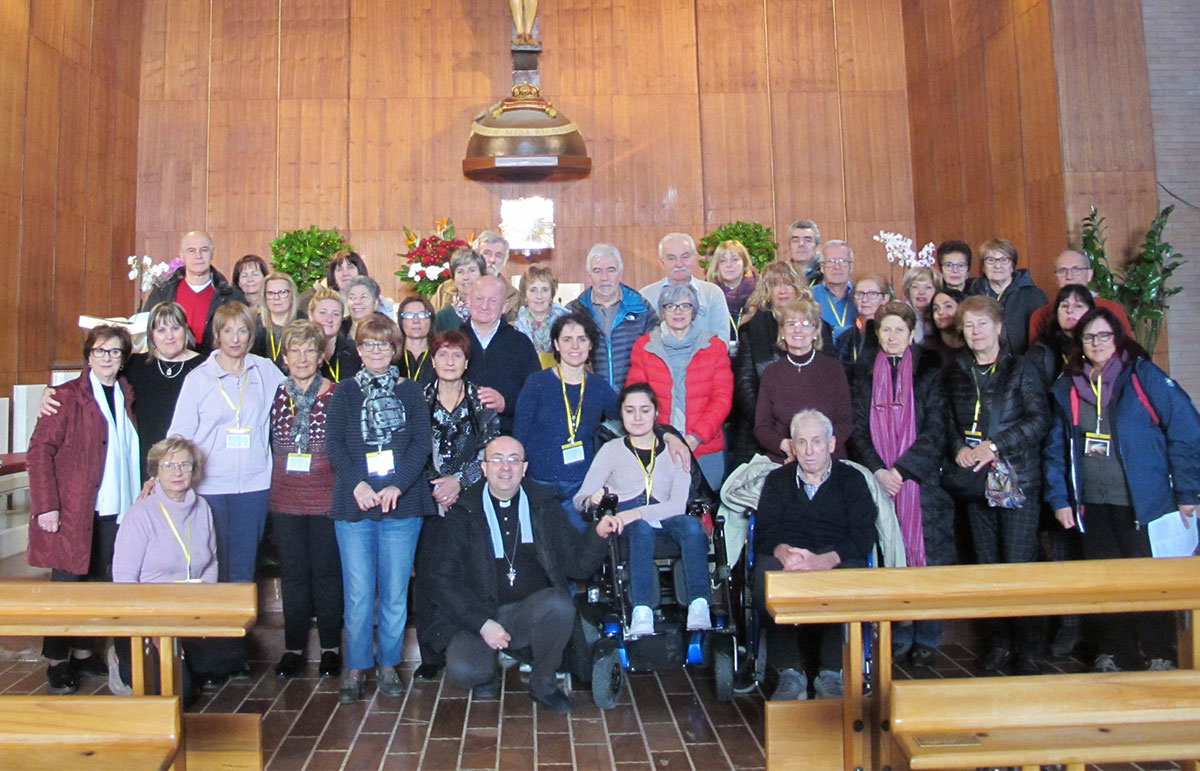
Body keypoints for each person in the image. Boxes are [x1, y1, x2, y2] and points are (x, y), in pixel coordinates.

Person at [1044, 306, 1200, 672]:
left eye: (1104, 335)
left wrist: (1188, 492)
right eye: (1088, 337)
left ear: (1118, 338)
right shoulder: (1068, 386)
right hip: (1092, 504)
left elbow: (1187, 430)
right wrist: (1060, 499)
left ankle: (1159, 651)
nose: (1096, 343)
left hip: (1143, 503)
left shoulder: (1143, 376)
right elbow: (1055, 448)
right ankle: (1114, 651)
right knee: (1106, 581)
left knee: (1149, 581)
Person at [428, 436, 624, 714]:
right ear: (484, 468)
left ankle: (543, 683)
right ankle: (491, 666)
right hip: (481, 615)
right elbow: (442, 581)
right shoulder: (464, 511)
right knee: (465, 671)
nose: (505, 467)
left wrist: (598, 534)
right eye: (497, 460)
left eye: (513, 460)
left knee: (559, 604)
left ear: (524, 468)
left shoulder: (544, 505)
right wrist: (482, 624)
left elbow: (577, 565)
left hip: (530, 614)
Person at [325, 315, 435, 703]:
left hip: (401, 506)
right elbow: (334, 444)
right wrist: (357, 484)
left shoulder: (411, 392)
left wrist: (396, 486)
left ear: (395, 350)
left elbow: (421, 444)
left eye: (384, 344)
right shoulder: (344, 391)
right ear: (358, 349)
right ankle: (356, 668)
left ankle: (388, 665)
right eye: (369, 344)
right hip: (354, 504)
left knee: (394, 593)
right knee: (358, 593)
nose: (376, 351)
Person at [27, 325, 139, 695]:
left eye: (115, 352)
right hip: (74, 508)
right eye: (100, 351)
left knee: (95, 583)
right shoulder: (66, 396)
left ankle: (83, 651)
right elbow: (39, 452)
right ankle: (57, 661)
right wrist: (47, 506)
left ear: (123, 358)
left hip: (115, 506)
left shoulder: (126, 393)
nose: (108, 358)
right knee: (66, 587)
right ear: (88, 356)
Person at [942, 295, 1049, 674]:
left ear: (999, 327)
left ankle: (1030, 648)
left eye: (982, 324)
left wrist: (995, 446)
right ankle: (1000, 643)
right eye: (969, 325)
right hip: (975, 483)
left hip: (1016, 481)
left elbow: (1039, 421)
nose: (975, 332)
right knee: (987, 567)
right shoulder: (957, 370)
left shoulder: (1021, 369)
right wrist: (958, 447)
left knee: (1018, 566)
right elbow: (949, 420)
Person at [848, 302, 955, 667]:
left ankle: (927, 634)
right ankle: (898, 631)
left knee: (925, 555)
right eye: (885, 330)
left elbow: (938, 428)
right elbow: (857, 428)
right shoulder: (863, 371)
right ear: (876, 334)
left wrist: (904, 470)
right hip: (878, 479)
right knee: (886, 555)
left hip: (921, 481)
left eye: (899, 330)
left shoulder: (931, 369)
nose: (892, 337)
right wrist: (879, 470)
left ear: (911, 334)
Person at [755, 410, 875, 701]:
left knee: (851, 574)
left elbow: (863, 537)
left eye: (816, 442)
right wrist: (784, 554)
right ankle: (789, 671)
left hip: (835, 556)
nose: (809, 451)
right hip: (791, 555)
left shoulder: (853, 480)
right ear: (793, 447)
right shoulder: (777, 480)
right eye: (802, 442)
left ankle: (831, 673)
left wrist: (823, 561)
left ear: (831, 444)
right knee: (764, 574)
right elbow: (764, 533)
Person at [575, 383, 712, 636]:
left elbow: (677, 505)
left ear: (656, 413)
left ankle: (699, 604)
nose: (637, 417)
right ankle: (642, 609)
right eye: (630, 411)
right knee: (640, 529)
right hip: (627, 523)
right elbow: (580, 499)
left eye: (644, 410)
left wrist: (637, 513)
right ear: (621, 414)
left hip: (666, 516)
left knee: (692, 526)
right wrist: (592, 501)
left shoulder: (676, 450)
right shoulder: (611, 450)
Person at [168, 301, 285, 588]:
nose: (235, 338)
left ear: (251, 336)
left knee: (244, 571)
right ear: (217, 335)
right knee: (211, 568)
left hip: (254, 486)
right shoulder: (198, 378)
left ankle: (240, 620)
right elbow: (179, 435)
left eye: (242, 331)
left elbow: (295, 396)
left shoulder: (264, 370)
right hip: (210, 486)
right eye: (228, 331)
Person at [413, 330, 501, 680]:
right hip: (428, 498)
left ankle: (469, 641)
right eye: (443, 355)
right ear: (432, 360)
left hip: (471, 501)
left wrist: (458, 482)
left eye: (457, 356)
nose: (450, 362)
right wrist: (437, 486)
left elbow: (490, 449)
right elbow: (411, 447)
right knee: (428, 574)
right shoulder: (418, 398)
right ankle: (430, 653)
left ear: (467, 362)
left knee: (468, 572)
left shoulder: (481, 399)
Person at [40, 302, 203, 483]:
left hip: (188, 461)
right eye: (161, 330)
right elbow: (92, 381)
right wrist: (53, 392)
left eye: (175, 328)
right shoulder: (135, 364)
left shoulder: (204, 366)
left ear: (185, 329)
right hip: (142, 460)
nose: (169, 336)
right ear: (151, 334)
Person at [110, 436, 217, 700]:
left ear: (194, 470)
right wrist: (156, 633)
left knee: (226, 659)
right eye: (168, 465)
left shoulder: (202, 508)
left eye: (184, 464)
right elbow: (124, 581)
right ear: (155, 471)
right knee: (179, 693)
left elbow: (212, 562)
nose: (177, 472)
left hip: (187, 611)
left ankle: (186, 660)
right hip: (146, 617)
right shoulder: (140, 514)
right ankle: (118, 658)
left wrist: (204, 612)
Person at [268, 321, 343, 680]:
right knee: (293, 576)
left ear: (321, 356)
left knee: (327, 575)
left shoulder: (337, 394)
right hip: (284, 499)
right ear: (284, 357)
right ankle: (293, 649)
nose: (301, 357)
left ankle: (330, 649)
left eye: (309, 350)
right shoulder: (274, 394)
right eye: (294, 351)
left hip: (327, 498)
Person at [514, 312, 619, 527]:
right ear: (556, 344)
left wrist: (667, 437)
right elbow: (520, 433)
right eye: (567, 339)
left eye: (582, 339)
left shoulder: (599, 387)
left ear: (591, 345)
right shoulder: (537, 383)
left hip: (581, 486)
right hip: (539, 483)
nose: (575, 346)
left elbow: (631, 418)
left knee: (579, 545)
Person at [627, 283, 733, 490]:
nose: (678, 312)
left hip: (705, 446)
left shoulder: (714, 347)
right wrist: (664, 435)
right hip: (658, 445)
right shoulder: (643, 347)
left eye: (685, 306)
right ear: (662, 311)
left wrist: (696, 437)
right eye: (671, 306)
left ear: (694, 310)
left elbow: (722, 398)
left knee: (706, 505)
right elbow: (637, 399)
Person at [730, 262, 812, 467]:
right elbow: (744, 383)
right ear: (767, 292)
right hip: (759, 432)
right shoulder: (751, 329)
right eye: (775, 285)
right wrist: (767, 425)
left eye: (787, 284)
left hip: (809, 430)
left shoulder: (818, 327)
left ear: (797, 288)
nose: (782, 290)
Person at [754, 297, 853, 464]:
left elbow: (845, 422)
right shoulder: (772, 372)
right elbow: (762, 427)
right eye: (791, 324)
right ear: (782, 331)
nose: (797, 330)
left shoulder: (833, 369)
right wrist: (788, 447)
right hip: (783, 459)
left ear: (816, 331)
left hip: (828, 459)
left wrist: (816, 451)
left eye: (806, 324)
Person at [566, 243, 658, 390]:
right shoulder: (573, 312)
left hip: (633, 398)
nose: (605, 278)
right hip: (588, 397)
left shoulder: (641, 308)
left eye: (611, 270)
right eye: (597, 271)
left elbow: (657, 356)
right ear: (589, 276)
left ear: (620, 274)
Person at [463, 275, 542, 434]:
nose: (484, 306)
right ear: (468, 300)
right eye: (479, 298)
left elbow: (537, 395)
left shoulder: (520, 344)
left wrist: (505, 403)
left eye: (493, 300)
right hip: (461, 437)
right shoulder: (452, 342)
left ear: (504, 306)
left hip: (508, 436)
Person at [144, 230, 246, 353]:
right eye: (191, 250)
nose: (198, 256)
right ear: (182, 255)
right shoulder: (162, 291)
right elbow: (146, 333)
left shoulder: (231, 295)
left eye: (204, 250)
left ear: (212, 253)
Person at [640, 232, 732, 345]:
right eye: (671, 258)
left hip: (707, 356)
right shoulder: (646, 296)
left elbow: (722, 340)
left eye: (685, 257)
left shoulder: (713, 293)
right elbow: (642, 342)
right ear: (661, 262)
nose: (679, 264)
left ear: (695, 258)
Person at [1026, 249, 1132, 342]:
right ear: (1055, 278)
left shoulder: (1111, 309)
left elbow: (1129, 351)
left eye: (1076, 270)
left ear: (1090, 275)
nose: (1069, 276)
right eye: (1062, 271)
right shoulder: (1041, 315)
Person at [966, 238, 1046, 356]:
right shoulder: (971, 294)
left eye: (1004, 260)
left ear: (1012, 265)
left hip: (1024, 362)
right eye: (991, 260)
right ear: (983, 267)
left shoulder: (1034, 295)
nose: (998, 265)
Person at [1029, 285, 1095, 386]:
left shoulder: (1101, 347)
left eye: (1078, 306)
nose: (1070, 310)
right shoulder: (1042, 352)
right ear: (1056, 313)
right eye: (1064, 306)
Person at [512, 264, 569, 367]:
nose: (539, 296)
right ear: (525, 296)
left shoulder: (567, 322)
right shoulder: (515, 324)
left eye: (545, 290)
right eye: (533, 290)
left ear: (552, 294)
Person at [832, 272, 889, 375]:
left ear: (885, 299)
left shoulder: (893, 334)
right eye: (860, 294)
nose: (865, 299)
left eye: (872, 294)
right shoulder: (845, 339)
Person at [706, 239, 757, 342]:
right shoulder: (708, 296)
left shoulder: (759, 294)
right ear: (717, 266)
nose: (728, 265)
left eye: (735, 259)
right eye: (723, 261)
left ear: (745, 263)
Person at [308, 287, 361, 383]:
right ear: (310, 316)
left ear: (342, 318)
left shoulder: (356, 352)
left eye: (336, 314)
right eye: (323, 313)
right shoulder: (300, 352)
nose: (329, 319)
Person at [811, 240, 856, 340]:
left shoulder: (862, 294)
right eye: (831, 261)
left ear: (851, 266)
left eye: (843, 261)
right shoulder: (809, 296)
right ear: (822, 267)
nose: (837, 267)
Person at [254, 272, 301, 367]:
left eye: (283, 292)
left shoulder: (303, 324)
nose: (276, 297)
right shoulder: (255, 326)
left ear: (292, 296)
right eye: (271, 293)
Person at [433, 248, 487, 330]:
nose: (466, 277)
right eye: (460, 272)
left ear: (482, 275)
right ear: (453, 278)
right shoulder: (443, 318)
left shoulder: (491, 311)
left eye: (472, 270)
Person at [473, 230, 521, 317]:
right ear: (476, 256)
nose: (492, 260)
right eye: (487, 253)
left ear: (504, 261)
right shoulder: (452, 289)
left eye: (498, 255)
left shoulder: (513, 296)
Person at [396, 295, 437, 389]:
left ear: (431, 320)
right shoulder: (391, 357)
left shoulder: (441, 355)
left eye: (422, 315)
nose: (416, 320)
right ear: (401, 321)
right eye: (409, 315)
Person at [923, 288, 967, 366]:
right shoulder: (927, 350)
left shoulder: (973, 344)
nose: (940, 312)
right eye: (935, 309)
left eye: (948, 306)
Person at [341, 275, 388, 341]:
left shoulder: (387, 330)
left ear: (375, 303)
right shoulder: (339, 330)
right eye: (352, 298)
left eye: (363, 297)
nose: (357, 302)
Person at [902, 267, 941, 345]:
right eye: (915, 287)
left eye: (928, 287)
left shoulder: (942, 315)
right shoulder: (900, 316)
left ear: (936, 291)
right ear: (908, 290)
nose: (921, 292)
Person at [786, 219, 823, 284]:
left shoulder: (827, 274)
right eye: (795, 241)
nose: (801, 244)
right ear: (789, 246)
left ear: (817, 246)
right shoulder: (780, 275)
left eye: (808, 240)